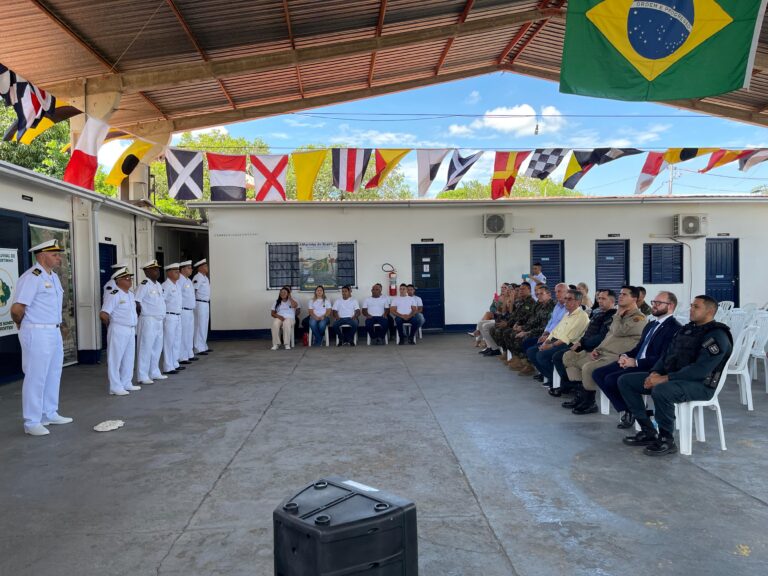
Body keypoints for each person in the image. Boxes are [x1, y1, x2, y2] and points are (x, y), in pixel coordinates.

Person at [618, 295, 732, 456]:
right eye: (691, 305)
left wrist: (663, 379)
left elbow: (700, 370)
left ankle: (666, 440)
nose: (691, 309)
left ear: (710, 311)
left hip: (701, 385)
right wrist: (654, 373)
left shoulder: (716, 335)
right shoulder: (687, 330)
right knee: (626, 381)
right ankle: (648, 431)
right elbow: (666, 356)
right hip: (675, 379)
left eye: (696, 307)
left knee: (662, 390)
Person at [10, 239, 73, 437]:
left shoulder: (52, 277)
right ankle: (32, 421)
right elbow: (17, 309)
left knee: (53, 373)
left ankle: (49, 413)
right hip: (36, 331)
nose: (58, 257)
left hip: (52, 331)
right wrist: (22, 326)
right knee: (36, 376)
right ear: (41, 255)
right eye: (54, 254)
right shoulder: (32, 277)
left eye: (58, 254)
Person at [593, 291, 682, 428]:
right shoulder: (651, 325)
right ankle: (630, 408)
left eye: (659, 303)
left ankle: (635, 411)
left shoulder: (674, 329)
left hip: (652, 367)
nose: (654, 306)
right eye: (654, 302)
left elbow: (663, 358)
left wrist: (636, 362)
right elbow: (639, 348)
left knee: (612, 379)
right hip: (636, 362)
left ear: (670, 306)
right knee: (598, 373)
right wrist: (625, 356)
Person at [563, 285, 647, 415]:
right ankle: (580, 393)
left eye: (624, 294)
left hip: (617, 356)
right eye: (620, 293)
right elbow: (609, 335)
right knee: (569, 356)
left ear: (634, 299)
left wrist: (618, 315)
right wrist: (598, 348)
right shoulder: (620, 315)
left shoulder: (638, 318)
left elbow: (619, 331)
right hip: (603, 352)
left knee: (588, 367)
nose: (620, 296)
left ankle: (590, 401)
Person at [550, 289, 616, 397]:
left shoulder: (612, 317)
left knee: (563, 357)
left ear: (613, 301)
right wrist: (580, 342)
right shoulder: (599, 313)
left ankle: (577, 389)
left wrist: (582, 344)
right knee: (559, 356)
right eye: (599, 298)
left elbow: (602, 337)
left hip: (596, 349)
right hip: (585, 345)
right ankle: (573, 386)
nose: (600, 301)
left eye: (603, 298)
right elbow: (588, 332)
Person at [525, 288, 590, 384]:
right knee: (531, 351)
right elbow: (555, 330)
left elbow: (567, 338)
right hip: (555, 341)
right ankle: (551, 378)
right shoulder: (567, 314)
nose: (566, 301)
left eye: (569, 299)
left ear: (578, 302)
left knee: (541, 355)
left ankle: (561, 383)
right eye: (566, 298)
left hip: (567, 344)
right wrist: (546, 341)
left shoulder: (582, 316)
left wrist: (550, 346)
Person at [100, 267, 140, 396]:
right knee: (115, 359)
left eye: (130, 278)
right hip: (118, 328)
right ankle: (115, 386)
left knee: (129, 358)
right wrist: (110, 326)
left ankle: (126, 382)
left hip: (130, 329)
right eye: (126, 278)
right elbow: (104, 313)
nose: (129, 281)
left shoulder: (131, 294)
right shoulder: (114, 294)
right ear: (118, 280)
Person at [518, 283, 567, 375]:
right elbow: (550, 322)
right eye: (556, 292)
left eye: (559, 291)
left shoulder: (564, 307)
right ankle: (544, 373)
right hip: (547, 334)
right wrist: (545, 333)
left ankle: (550, 377)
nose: (557, 294)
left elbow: (561, 327)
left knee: (533, 349)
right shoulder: (557, 306)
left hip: (558, 338)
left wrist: (547, 336)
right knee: (530, 347)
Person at [134, 259, 167, 385]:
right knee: (145, 347)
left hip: (158, 319)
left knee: (157, 347)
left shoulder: (158, 285)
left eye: (158, 269)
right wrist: (140, 316)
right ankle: (142, 375)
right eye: (154, 269)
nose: (157, 271)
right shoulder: (144, 284)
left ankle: (154, 371)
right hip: (148, 319)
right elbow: (137, 301)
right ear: (146, 271)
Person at [505, 285, 554, 369]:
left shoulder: (553, 307)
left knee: (524, 338)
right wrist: (523, 328)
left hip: (545, 333)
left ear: (549, 294)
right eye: (537, 294)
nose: (538, 296)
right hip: (538, 331)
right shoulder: (541, 305)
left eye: (541, 294)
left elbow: (546, 327)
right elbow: (533, 320)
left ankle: (528, 364)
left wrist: (527, 332)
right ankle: (520, 360)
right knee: (513, 333)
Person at [161, 263, 183, 375]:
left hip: (178, 316)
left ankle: (175, 363)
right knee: (168, 341)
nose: (178, 273)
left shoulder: (177, 285)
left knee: (176, 340)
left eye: (178, 271)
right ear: (169, 272)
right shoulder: (165, 286)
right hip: (169, 316)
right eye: (175, 271)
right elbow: (161, 301)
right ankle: (168, 366)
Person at [178, 260, 197, 365]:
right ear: (182, 269)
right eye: (189, 268)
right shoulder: (180, 281)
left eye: (191, 267)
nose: (191, 269)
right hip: (183, 310)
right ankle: (182, 356)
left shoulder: (188, 280)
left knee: (190, 333)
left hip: (190, 311)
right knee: (183, 334)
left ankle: (189, 353)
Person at [192, 258, 212, 355]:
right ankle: (198, 347)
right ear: (200, 268)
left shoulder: (205, 277)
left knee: (204, 325)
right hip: (199, 303)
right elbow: (194, 291)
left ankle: (203, 346)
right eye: (205, 266)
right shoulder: (198, 277)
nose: (207, 267)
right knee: (199, 325)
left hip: (205, 303)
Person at [271, 285, 299, 350]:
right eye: (281, 292)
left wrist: (290, 298)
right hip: (279, 317)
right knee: (275, 324)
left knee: (286, 323)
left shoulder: (292, 301)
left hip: (290, 318)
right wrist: (279, 316)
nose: (282, 294)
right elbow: (272, 313)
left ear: (288, 294)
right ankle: (276, 344)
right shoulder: (276, 302)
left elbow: (295, 305)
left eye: (284, 292)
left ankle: (287, 344)